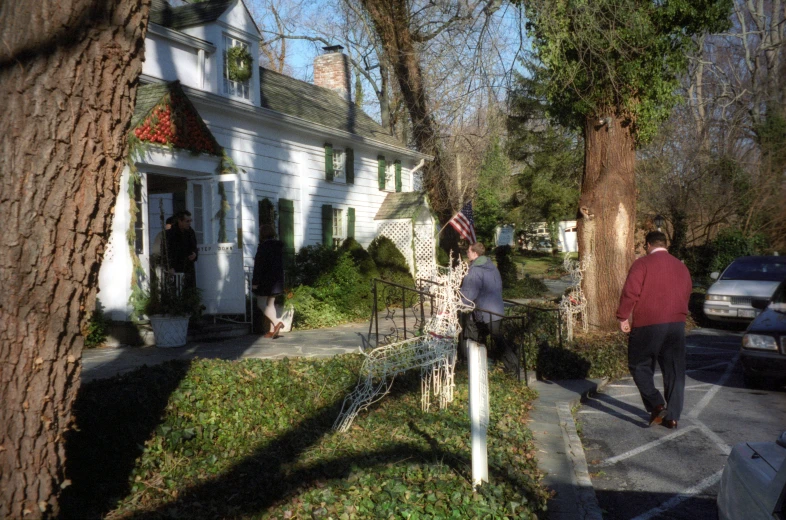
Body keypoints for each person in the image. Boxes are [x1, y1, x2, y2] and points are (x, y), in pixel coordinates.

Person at [616, 231, 692, 429]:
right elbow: (687, 292)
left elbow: (630, 292)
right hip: (676, 324)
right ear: (665, 245)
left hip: (648, 324)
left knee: (639, 364)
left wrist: (623, 316)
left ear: (648, 245)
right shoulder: (681, 266)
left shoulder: (642, 264)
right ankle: (673, 417)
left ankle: (656, 403)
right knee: (675, 370)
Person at [460, 242, 519, 377]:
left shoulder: (475, 270)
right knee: (491, 337)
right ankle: (484, 364)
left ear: (475, 253)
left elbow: (468, 294)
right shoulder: (491, 266)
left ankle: (511, 364)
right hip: (495, 309)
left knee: (475, 336)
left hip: (485, 311)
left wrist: (458, 303)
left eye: (468, 252)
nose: (467, 254)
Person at [252, 223, 285, 338]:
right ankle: (272, 331)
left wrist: (255, 282)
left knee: (261, 304)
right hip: (276, 281)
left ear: (262, 234)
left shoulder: (263, 247)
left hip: (265, 281)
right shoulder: (278, 247)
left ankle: (276, 323)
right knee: (270, 304)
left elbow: (259, 266)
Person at [166, 210, 199, 289]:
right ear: (180, 221)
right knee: (176, 290)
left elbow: (194, 247)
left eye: (190, 221)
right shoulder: (171, 233)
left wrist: (195, 254)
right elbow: (167, 251)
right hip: (176, 266)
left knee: (189, 291)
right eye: (187, 221)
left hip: (188, 267)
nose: (189, 223)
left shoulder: (191, 232)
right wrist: (170, 266)